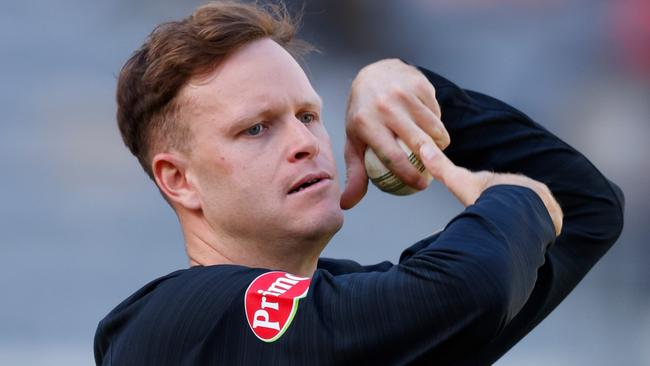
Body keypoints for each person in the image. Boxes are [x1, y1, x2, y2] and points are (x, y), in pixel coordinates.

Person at [94, 1, 624, 365]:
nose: (304, 142)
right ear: (179, 180)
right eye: (255, 128)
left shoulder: (357, 320)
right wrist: (516, 198)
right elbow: (474, 284)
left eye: (306, 115)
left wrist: (414, 94)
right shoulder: (178, 323)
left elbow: (585, 207)